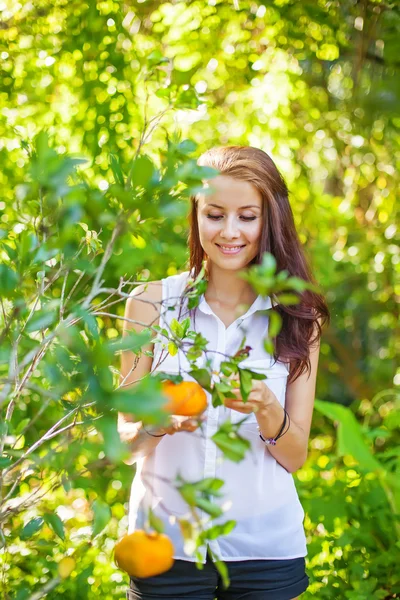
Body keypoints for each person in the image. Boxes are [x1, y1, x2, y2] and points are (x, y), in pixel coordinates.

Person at [118, 145, 330, 600]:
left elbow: (295, 456)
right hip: (164, 547)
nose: (229, 232)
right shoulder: (151, 303)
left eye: (247, 217)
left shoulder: (297, 316)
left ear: (269, 220)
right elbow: (125, 444)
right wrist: (157, 425)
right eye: (215, 214)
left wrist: (266, 406)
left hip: (266, 550)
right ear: (196, 216)